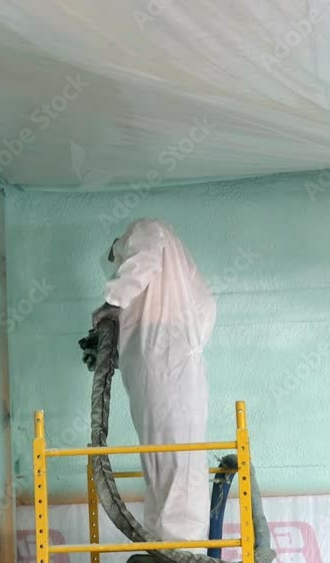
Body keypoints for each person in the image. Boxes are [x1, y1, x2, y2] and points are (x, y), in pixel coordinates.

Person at [91, 218, 217, 550]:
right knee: (158, 461)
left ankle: (181, 550)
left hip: (166, 359)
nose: (118, 267)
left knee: (177, 460)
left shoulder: (146, 230)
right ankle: (161, 547)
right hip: (158, 362)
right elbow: (207, 307)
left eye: (118, 261)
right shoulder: (176, 281)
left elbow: (141, 263)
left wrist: (112, 302)